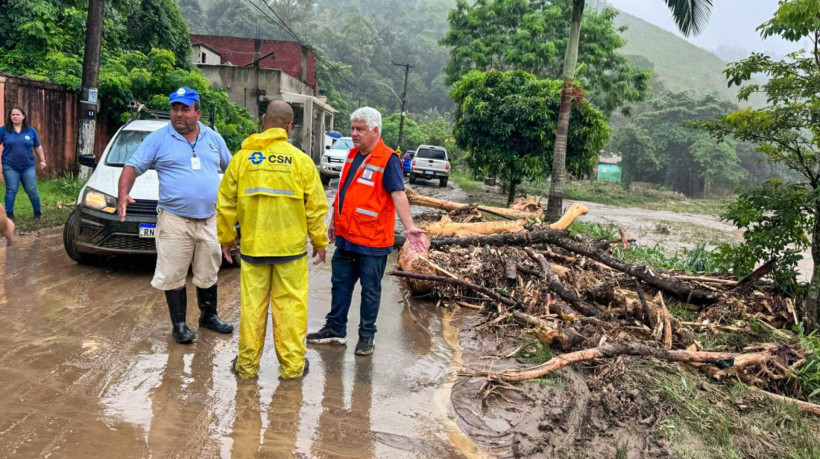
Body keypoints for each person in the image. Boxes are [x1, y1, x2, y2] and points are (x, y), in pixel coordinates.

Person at [217, 100, 328, 379]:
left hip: (254, 248)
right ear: (290, 127)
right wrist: (319, 242)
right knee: (290, 308)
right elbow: (315, 206)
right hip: (290, 251)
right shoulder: (301, 161)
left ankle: (246, 366)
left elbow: (226, 203)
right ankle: (291, 369)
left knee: (252, 308)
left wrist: (227, 239)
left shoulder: (242, 159)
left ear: (263, 120)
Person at [117, 87, 234, 344]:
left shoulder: (214, 139)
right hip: (174, 220)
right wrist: (123, 193)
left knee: (208, 270)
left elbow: (233, 169)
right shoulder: (158, 139)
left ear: (198, 112)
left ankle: (208, 316)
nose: (179, 114)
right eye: (175, 108)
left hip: (210, 219)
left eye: (185, 109)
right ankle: (179, 324)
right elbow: (132, 166)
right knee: (173, 273)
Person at [306, 107, 426, 356]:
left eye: (359, 129)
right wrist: (333, 221)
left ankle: (366, 336)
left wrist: (410, 226)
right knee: (340, 285)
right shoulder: (351, 155)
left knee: (370, 291)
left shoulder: (388, 159)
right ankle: (335, 329)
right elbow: (344, 191)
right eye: (352, 128)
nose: (354, 133)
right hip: (347, 238)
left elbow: (398, 194)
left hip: (372, 242)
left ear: (375, 131)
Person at [0, 106, 47, 220]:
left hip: (28, 166)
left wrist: (42, 160)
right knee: (11, 190)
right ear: (10, 117)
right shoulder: (4, 130)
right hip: (9, 165)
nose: (15, 116)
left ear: (23, 116)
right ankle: (9, 215)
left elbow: (37, 146)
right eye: (12, 115)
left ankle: (37, 212)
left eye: (17, 114)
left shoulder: (30, 130)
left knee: (31, 189)